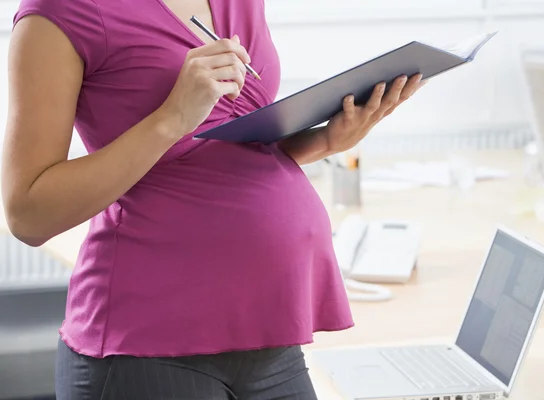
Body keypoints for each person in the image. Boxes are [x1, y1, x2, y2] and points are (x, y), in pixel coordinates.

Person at [2, 0, 425, 398]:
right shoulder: (60, 13)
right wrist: (173, 118)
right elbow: (28, 214)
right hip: (148, 346)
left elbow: (219, 152)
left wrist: (325, 140)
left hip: (269, 333)